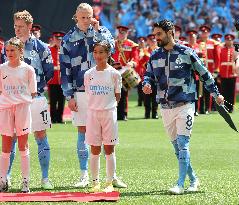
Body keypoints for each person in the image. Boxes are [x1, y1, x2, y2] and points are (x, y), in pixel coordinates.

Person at [143, 20, 224, 195]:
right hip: (165, 108)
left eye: (159, 34)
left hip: (185, 105)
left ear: (170, 32)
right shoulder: (154, 56)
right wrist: (146, 84)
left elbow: (204, 74)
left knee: (182, 144)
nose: (156, 38)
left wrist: (216, 94)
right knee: (176, 148)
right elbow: (148, 75)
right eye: (154, 34)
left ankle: (180, 184)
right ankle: (193, 179)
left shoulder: (187, 52)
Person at [60, 3, 126, 189]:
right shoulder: (68, 39)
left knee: (108, 136)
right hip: (80, 91)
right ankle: (84, 175)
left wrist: (98, 31)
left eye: (89, 16)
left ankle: (111, 176)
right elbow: (65, 69)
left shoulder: (101, 31)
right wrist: (69, 95)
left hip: (103, 92)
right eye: (83, 17)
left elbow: (112, 47)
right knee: (83, 133)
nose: (87, 20)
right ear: (76, 17)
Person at [1, 10, 54, 190]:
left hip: (36, 98)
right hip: (13, 102)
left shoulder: (41, 47)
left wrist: (34, 89)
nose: (17, 30)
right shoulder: (7, 47)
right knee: (12, 138)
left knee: (40, 136)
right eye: (15, 26)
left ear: (30, 27)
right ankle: (6, 177)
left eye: (21, 27)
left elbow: (49, 72)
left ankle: (45, 178)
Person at [0, 37, 37, 192]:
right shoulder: (1, 68)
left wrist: (20, 100)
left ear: (21, 51)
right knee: (6, 146)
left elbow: (33, 92)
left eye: (12, 50)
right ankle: (2, 181)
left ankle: (25, 183)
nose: (9, 53)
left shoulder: (28, 69)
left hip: (22, 108)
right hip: (5, 109)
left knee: (23, 145)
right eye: (7, 50)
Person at [84, 41, 122, 193]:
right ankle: (95, 183)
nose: (98, 55)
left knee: (109, 149)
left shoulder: (114, 74)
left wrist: (107, 106)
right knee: (94, 149)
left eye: (101, 52)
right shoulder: (88, 74)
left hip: (109, 114)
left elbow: (117, 96)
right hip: (93, 114)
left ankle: (109, 182)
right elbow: (89, 94)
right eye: (95, 52)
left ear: (108, 54)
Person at [111, 25, 139, 121]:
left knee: (123, 93)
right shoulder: (112, 44)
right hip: (113, 71)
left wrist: (131, 63)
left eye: (123, 33)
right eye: (120, 33)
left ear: (127, 33)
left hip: (124, 72)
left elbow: (135, 58)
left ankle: (123, 114)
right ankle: (113, 113)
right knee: (112, 93)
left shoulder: (132, 45)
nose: (121, 35)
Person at [197, 25, 221, 114]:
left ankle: (207, 108)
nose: (204, 34)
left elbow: (217, 57)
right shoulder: (197, 42)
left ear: (208, 33)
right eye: (203, 32)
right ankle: (201, 108)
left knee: (209, 90)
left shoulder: (213, 43)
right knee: (200, 90)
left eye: (206, 32)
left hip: (210, 70)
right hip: (199, 70)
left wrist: (216, 70)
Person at [48, 31, 65, 123]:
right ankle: (53, 119)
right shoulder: (49, 49)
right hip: (53, 80)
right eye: (56, 39)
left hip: (63, 80)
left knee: (61, 101)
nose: (58, 41)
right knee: (53, 101)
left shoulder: (65, 49)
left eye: (60, 40)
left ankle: (60, 118)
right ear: (53, 39)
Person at [219, 34, 239, 113]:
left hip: (232, 74)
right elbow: (220, 61)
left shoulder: (235, 50)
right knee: (224, 92)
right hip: (223, 74)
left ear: (232, 41)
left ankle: (231, 108)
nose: (229, 41)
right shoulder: (222, 49)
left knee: (231, 92)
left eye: (230, 40)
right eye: (227, 40)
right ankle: (224, 107)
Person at [144, 34, 158, 119]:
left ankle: (155, 113)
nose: (153, 42)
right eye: (151, 40)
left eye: (154, 40)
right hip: (147, 77)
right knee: (146, 96)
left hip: (157, 77)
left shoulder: (160, 51)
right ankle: (147, 113)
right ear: (148, 41)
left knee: (155, 96)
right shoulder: (144, 51)